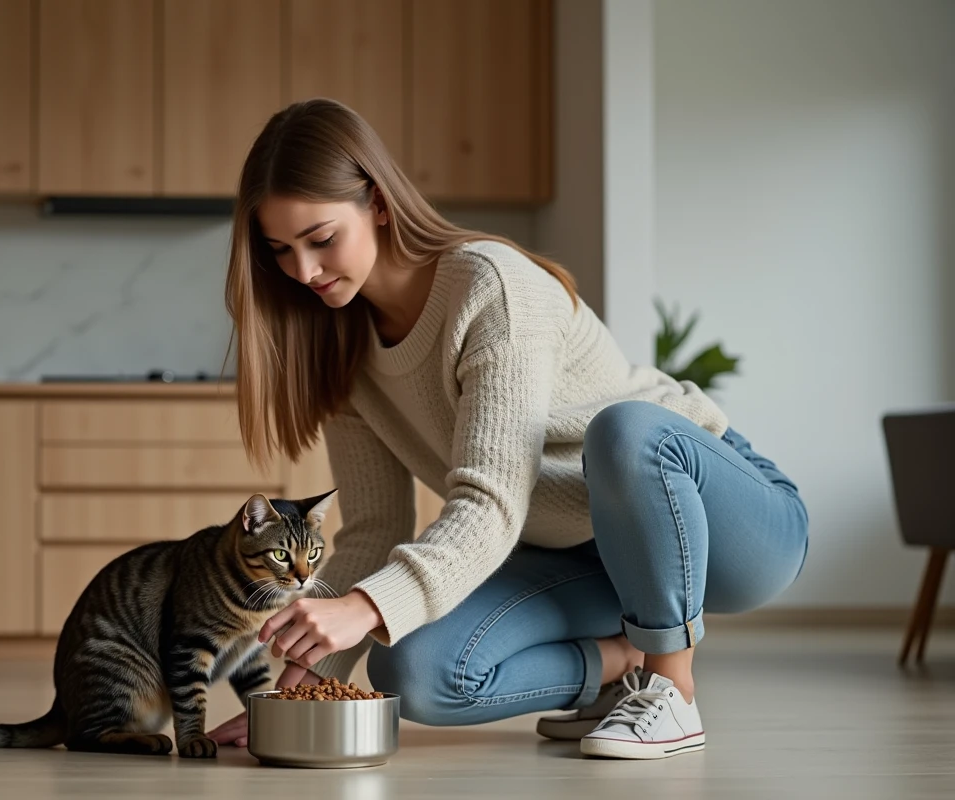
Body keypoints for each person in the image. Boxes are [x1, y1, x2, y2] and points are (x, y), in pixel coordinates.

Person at [206, 98, 808, 760]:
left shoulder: (489, 286)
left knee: (625, 433)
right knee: (411, 669)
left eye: (321, 240)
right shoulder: (342, 351)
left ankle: (673, 688)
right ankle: (619, 667)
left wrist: (364, 608)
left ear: (377, 202)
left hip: (725, 529)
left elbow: (491, 503)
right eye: (281, 251)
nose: (304, 272)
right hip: (586, 559)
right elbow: (376, 529)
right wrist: (307, 684)